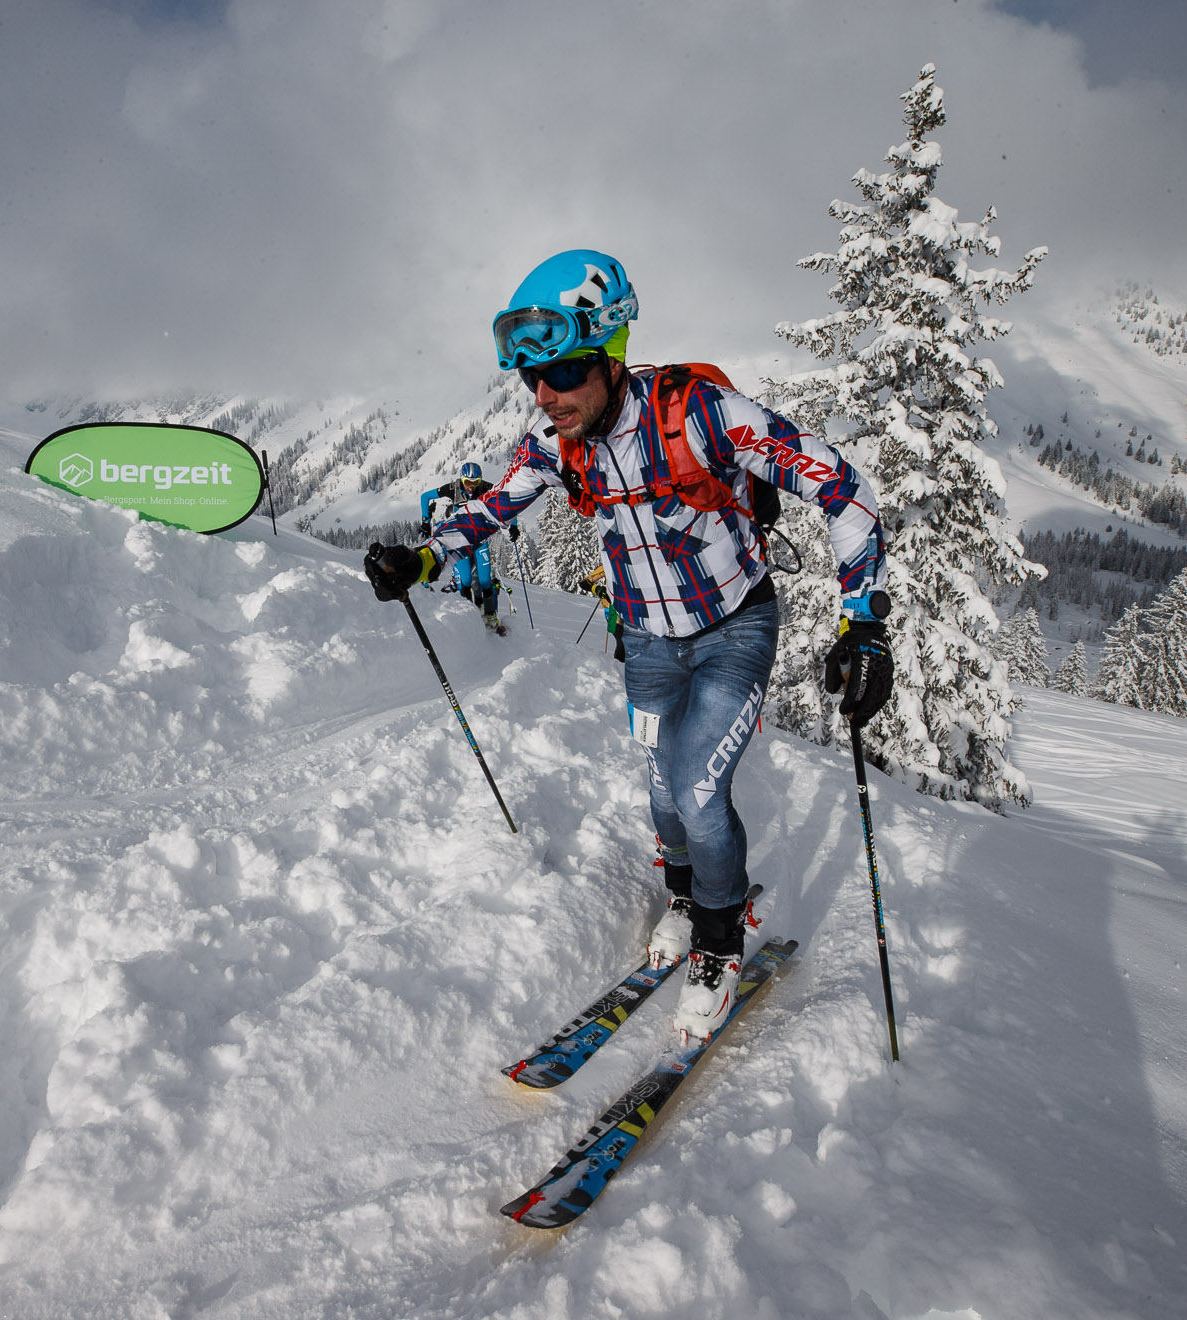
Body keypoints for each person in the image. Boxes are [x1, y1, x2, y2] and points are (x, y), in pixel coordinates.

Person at [364, 249, 893, 1045]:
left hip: (733, 629)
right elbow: (496, 507)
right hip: (647, 638)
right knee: (660, 787)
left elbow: (846, 493)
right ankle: (684, 895)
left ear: (612, 358)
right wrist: (427, 556)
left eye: (567, 370)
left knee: (700, 792)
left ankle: (719, 939)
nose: (546, 396)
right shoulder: (556, 443)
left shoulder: (706, 414)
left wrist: (865, 624)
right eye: (529, 379)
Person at [419, 462, 505, 632]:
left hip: (480, 540)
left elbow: (506, 499)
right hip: (461, 542)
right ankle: (471, 614)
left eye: (475, 483)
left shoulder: (487, 488)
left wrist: (513, 525)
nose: (471, 487)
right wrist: (425, 520)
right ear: (461, 479)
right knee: (464, 581)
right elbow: (425, 497)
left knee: (486, 580)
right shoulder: (454, 489)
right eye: (468, 482)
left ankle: (490, 613)